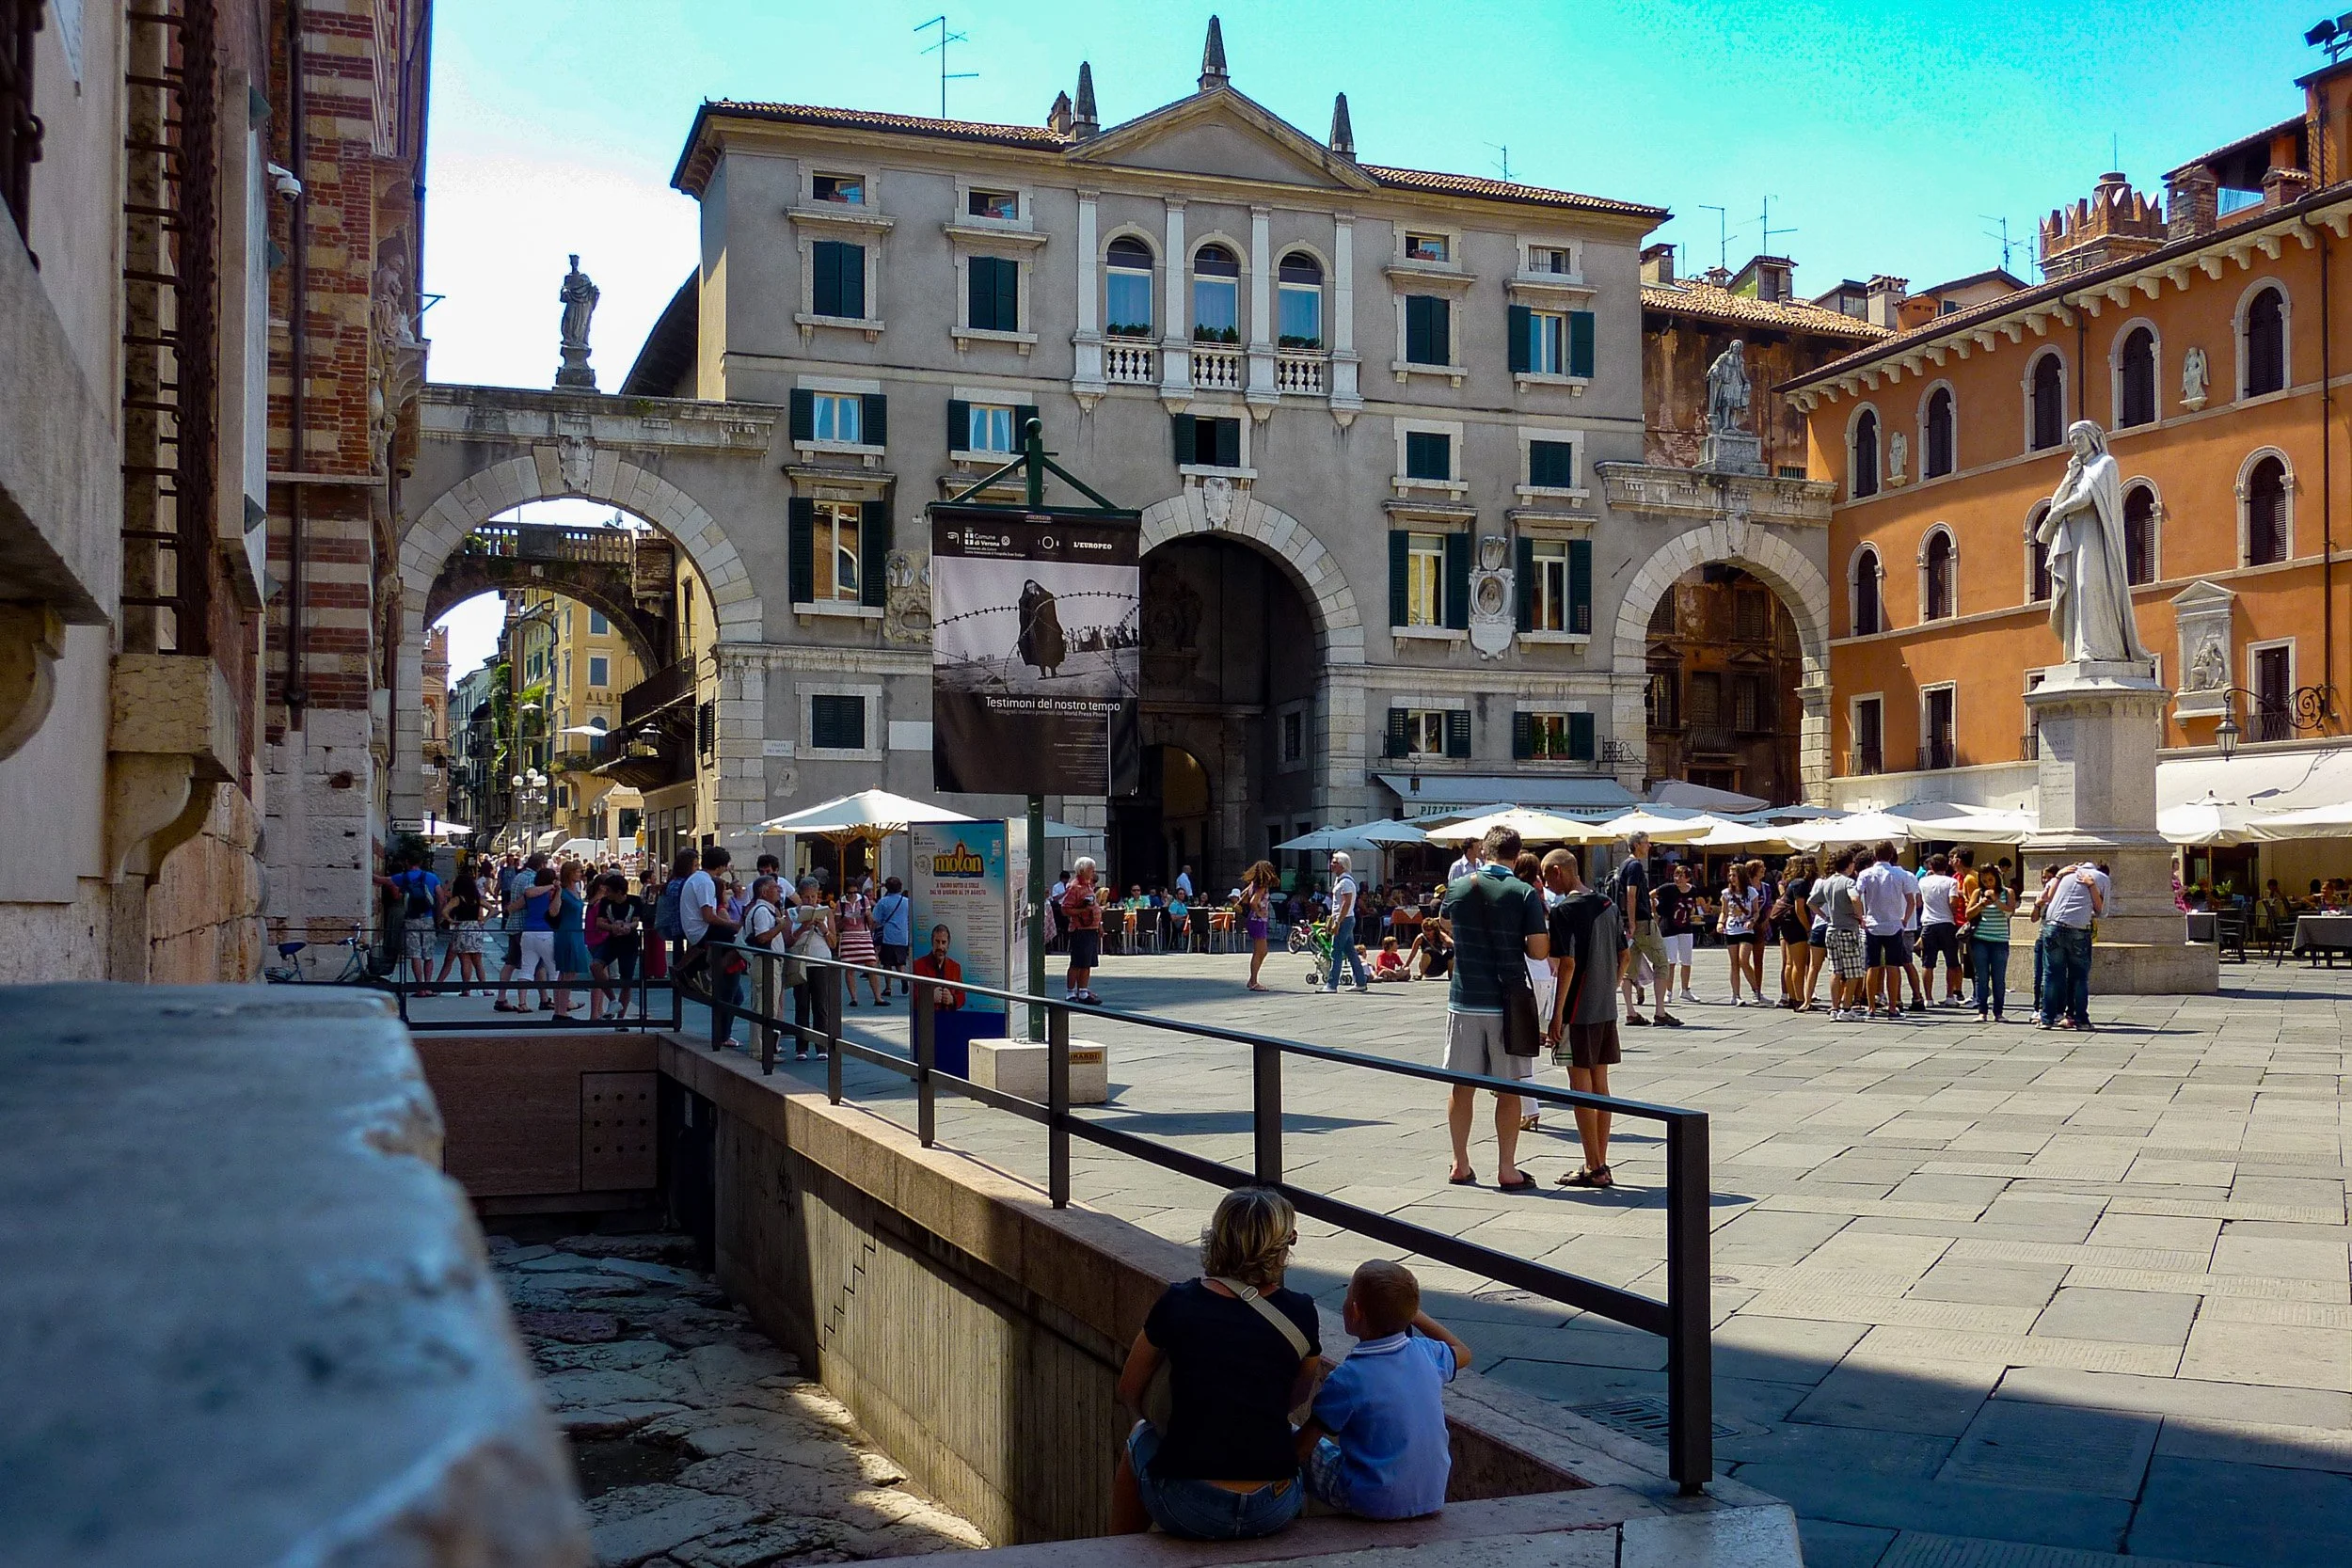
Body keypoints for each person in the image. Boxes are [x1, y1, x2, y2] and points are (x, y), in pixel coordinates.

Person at [1111, 1188, 1321, 1540]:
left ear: (1216, 1238)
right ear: (1283, 1247)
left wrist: (1164, 1423)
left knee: (1139, 1439)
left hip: (1189, 1504)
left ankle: (1114, 1553)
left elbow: (1129, 1390)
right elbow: (1296, 1397)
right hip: (1273, 1504)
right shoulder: (1301, 1311)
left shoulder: (1178, 1302)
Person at [1296, 1260, 1470, 1522]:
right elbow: (1464, 1352)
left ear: (1355, 1311)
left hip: (1372, 1502)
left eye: (1347, 1296)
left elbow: (1304, 1447)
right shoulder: (1427, 1353)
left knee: (1291, 1439)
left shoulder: (1347, 1378)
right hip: (1432, 1496)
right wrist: (1415, 1315)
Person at [1439, 827, 1549, 1192]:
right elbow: (1538, 951)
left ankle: (1460, 1162)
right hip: (1507, 1002)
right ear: (1516, 857)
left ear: (1484, 852)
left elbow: (1444, 922)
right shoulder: (1523, 893)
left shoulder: (1457, 887)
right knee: (1508, 1088)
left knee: (1462, 1087)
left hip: (1464, 997)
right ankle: (1506, 1168)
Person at [1541, 847, 1627, 1188]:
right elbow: (1624, 954)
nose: (1547, 883)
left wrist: (1556, 1015)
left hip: (1578, 1008)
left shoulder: (1564, 910)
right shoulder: (1608, 904)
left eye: (1548, 875)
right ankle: (1600, 1162)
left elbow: (1568, 964)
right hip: (1605, 1007)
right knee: (1600, 1085)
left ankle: (1594, 1166)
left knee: (1580, 1086)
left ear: (1561, 871)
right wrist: (1611, 987)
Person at [1612, 833, 1678, 1027]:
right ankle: (1660, 1012)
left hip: (1624, 923)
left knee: (1627, 969)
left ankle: (1631, 1012)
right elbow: (1632, 895)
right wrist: (1633, 922)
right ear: (1636, 845)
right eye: (1646, 842)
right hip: (1640, 922)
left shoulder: (1622, 865)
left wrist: (1627, 923)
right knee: (1662, 963)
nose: (1649, 845)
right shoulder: (1636, 866)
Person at [682, 847, 744, 1050]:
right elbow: (709, 916)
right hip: (701, 931)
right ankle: (711, 969)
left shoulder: (695, 879)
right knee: (740, 939)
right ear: (720, 866)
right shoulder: (706, 883)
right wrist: (732, 925)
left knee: (734, 994)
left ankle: (712, 967)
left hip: (693, 931)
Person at [2036, 860, 2108, 1030]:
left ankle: (2046, 1018)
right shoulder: (2102, 878)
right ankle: (2081, 1020)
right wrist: (2091, 888)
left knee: (2051, 975)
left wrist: (2060, 875)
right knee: (2079, 976)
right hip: (2077, 929)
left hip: (2052, 926)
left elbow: (2048, 899)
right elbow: (2102, 911)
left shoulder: (2065, 874)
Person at [1855, 842, 1916, 1020]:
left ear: (1874, 855)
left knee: (1872, 966)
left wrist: (1861, 917)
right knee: (1893, 966)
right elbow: (1911, 900)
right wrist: (1905, 919)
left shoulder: (1865, 874)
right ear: (1892, 855)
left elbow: (1855, 895)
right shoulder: (1901, 874)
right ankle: (1892, 1007)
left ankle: (1871, 1008)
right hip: (1894, 924)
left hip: (1873, 924)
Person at [373, 851, 444, 995]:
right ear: (421, 863)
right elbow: (441, 898)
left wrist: (364, 869)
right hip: (428, 918)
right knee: (428, 955)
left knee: (415, 954)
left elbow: (381, 880)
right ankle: (428, 986)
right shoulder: (431, 877)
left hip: (411, 919)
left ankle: (420, 988)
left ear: (407, 862)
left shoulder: (403, 877)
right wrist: (438, 917)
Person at [1817, 847, 1870, 1022]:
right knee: (1854, 971)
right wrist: (1860, 917)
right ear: (1849, 865)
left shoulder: (1827, 882)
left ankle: (1834, 1008)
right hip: (1848, 929)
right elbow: (1855, 898)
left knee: (1836, 970)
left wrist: (1825, 916)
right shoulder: (1848, 882)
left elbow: (1812, 902)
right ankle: (1846, 1008)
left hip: (1831, 930)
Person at [787, 876, 836, 1059]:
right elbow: (788, 940)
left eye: (814, 897)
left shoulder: (827, 913)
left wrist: (822, 927)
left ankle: (822, 1046)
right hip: (801, 961)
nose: (810, 901)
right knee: (801, 1005)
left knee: (820, 1005)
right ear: (800, 896)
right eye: (806, 897)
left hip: (821, 961)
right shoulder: (791, 913)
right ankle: (801, 1047)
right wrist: (803, 927)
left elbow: (833, 943)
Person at [587, 871, 643, 1022]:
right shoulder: (605, 902)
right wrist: (613, 928)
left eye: (609, 891)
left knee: (626, 981)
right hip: (611, 941)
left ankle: (620, 1020)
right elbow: (599, 922)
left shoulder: (635, 901)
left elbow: (636, 921)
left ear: (618, 892)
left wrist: (627, 927)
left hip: (629, 943)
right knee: (595, 965)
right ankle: (612, 1000)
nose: (606, 893)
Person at [1964, 864, 2015, 1022]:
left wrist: (1995, 900)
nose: (1988, 883)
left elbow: (2010, 912)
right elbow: (1968, 914)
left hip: (2000, 940)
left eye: (1991, 880)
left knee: (1999, 977)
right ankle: (1982, 1011)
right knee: (1982, 976)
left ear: (1997, 878)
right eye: (1985, 880)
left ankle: (1999, 1012)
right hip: (1980, 939)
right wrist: (1981, 905)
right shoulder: (1977, 893)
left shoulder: (2008, 892)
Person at [433, 862, 488, 996]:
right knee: (477, 961)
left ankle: (465, 988)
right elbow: (493, 910)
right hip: (475, 929)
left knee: (463, 960)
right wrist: (483, 920)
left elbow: (445, 910)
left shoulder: (458, 898)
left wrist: (451, 920)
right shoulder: (476, 898)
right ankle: (485, 988)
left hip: (461, 929)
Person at [1917, 853, 1965, 1006]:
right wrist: (1953, 912)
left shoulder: (1922, 881)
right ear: (1946, 866)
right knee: (1951, 961)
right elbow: (1953, 902)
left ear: (1931, 866)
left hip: (1928, 923)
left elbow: (1918, 901)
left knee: (1927, 963)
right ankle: (1950, 995)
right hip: (1947, 923)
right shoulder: (1951, 882)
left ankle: (1928, 998)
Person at [549, 860, 594, 1021]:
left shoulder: (576, 890)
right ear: (570, 873)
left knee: (569, 972)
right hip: (566, 933)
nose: (581, 873)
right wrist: (558, 893)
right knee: (566, 972)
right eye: (577, 871)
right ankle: (560, 1010)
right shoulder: (563, 892)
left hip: (575, 931)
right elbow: (553, 912)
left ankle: (561, 1008)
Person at [1324, 852, 1371, 994]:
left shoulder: (1346, 882)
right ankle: (1361, 982)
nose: (1331, 864)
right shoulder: (1341, 881)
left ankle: (1332, 984)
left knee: (1335, 951)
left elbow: (1346, 903)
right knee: (1350, 952)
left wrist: (1337, 921)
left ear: (1342, 865)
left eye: (1334, 862)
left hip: (1344, 919)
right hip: (1345, 919)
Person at [834, 881, 886, 1007]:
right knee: (850, 968)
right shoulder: (840, 903)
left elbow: (871, 922)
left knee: (872, 965)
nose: (852, 896)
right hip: (848, 936)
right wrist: (844, 919)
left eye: (854, 893)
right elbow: (836, 926)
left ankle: (878, 997)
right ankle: (854, 998)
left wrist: (868, 915)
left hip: (863, 935)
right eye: (849, 893)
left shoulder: (864, 901)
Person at [1718, 861, 1763, 1006]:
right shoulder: (1726, 893)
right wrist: (1720, 923)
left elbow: (1756, 912)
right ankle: (1736, 995)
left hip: (1746, 929)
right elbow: (1724, 912)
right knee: (1734, 963)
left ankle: (1756, 990)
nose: (1732, 878)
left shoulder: (1751, 892)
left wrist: (1752, 921)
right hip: (1731, 929)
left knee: (1743, 960)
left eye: (1734, 875)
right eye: (1730, 875)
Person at [516, 865, 561, 1008]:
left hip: (528, 932)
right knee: (554, 970)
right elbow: (554, 912)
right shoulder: (551, 893)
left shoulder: (531, 893)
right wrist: (557, 890)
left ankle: (522, 1003)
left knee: (527, 969)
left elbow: (515, 906)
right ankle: (557, 1002)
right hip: (546, 932)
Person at [1772, 857, 1814, 1009]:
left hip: (1786, 925)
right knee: (1799, 964)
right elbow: (1800, 909)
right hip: (1796, 925)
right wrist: (1808, 928)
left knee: (1790, 963)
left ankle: (1792, 997)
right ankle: (1799, 999)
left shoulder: (1791, 883)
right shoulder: (1801, 883)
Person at [1063, 857, 1105, 1005]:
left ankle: (1083, 991)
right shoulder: (1074, 887)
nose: (1093, 872)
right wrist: (1082, 910)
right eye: (1090, 869)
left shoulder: (1088, 886)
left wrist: (1099, 925)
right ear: (1081, 870)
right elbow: (1065, 909)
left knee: (1087, 963)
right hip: (1079, 929)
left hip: (1091, 929)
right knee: (1077, 962)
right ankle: (1070, 992)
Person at [1657, 862, 1699, 1005]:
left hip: (1686, 927)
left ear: (1688, 878)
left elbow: (1693, 905)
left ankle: (1685, 990)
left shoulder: (1692, 890)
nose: (1678, 878)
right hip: (1668, 927)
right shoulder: (1667, 888)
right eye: (1676, 875)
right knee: (1671, 960)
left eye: (1681, 876)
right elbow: (1651, 895)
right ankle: (1668, 992)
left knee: (1686, 960)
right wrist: (1655, 911)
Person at [872, 877, 914, 996]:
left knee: (887, 963)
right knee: (901, 963)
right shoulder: (906, 902)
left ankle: (888, 987)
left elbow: (876, 920)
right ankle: (903, 978)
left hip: (888, 935)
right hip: (902, 936)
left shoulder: (883, 902)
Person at [911, 924, 966, 1010]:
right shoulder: (918, 965)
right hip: (927, 1019)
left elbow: (962, 996)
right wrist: (929, 997)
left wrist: (952, 999)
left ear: (948, 944)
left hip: (949, 1019)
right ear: (932, 942)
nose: (940, 947)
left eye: (943, 942)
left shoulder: (956, 967)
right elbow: (913, 998)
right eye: (937, 941)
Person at [1243, 861, 1277, 991]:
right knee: (1259, 952)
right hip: (1258, 920)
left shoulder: (1253, 885)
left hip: (1255, 920)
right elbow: (1252, 902)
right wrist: (1259, 911)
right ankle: (1254, 982)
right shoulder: (1262, 886)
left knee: (1262, 951)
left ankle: (1252, 979)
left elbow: (1244, 898)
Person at [1410, 916, 1454, 981]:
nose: (1427, 932)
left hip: (1440, 966)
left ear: (1434, 930)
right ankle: (1420, 974)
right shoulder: (1420, 938)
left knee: (1451, 952)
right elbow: (1412, 954)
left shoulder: (1440, 935)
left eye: (1429, 930)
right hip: (1428, 968)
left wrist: (1450, 944)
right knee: (1428, 951)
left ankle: (1451, 975)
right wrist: (1406, 966)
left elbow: (1450, 941)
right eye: (1425, 929)